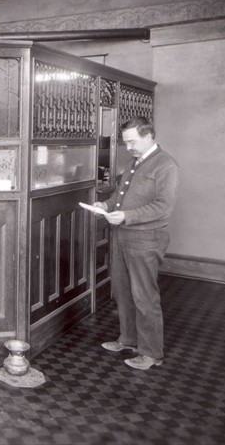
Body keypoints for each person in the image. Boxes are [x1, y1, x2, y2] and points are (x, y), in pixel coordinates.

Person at [93, 116, 179, 370]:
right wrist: (105, 205)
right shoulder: (135, 161)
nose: (127, 147)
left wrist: (127, 217)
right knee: (122, 290)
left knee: (144, 296)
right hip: (123, 235)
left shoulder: (166, 165)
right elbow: (121, 194)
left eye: (131, 142)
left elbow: (163, 207)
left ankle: (151, 353)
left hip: (146, 238)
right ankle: (128, 339)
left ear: (148, 136)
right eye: (125, 142)